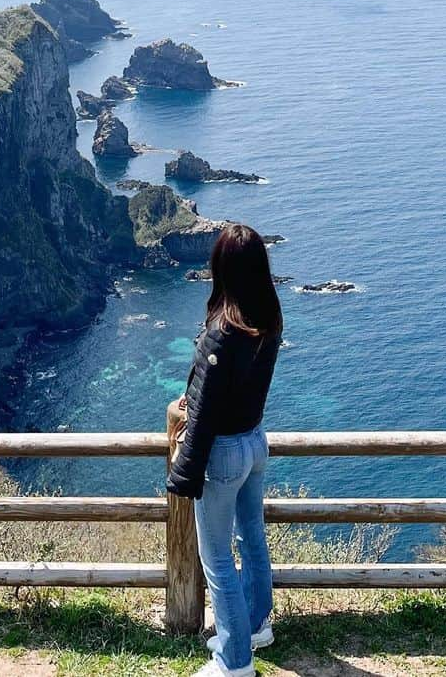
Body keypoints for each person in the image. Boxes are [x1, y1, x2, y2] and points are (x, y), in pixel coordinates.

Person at [167, 223, 284, 677]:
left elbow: (207, 412)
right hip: (255, 443)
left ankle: (234, 662)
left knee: (216, 558)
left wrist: (183, 474)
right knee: (251, 537)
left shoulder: (223, 332)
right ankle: (256, 627)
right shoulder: (268, 319)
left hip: (225, 453)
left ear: (222, 268)